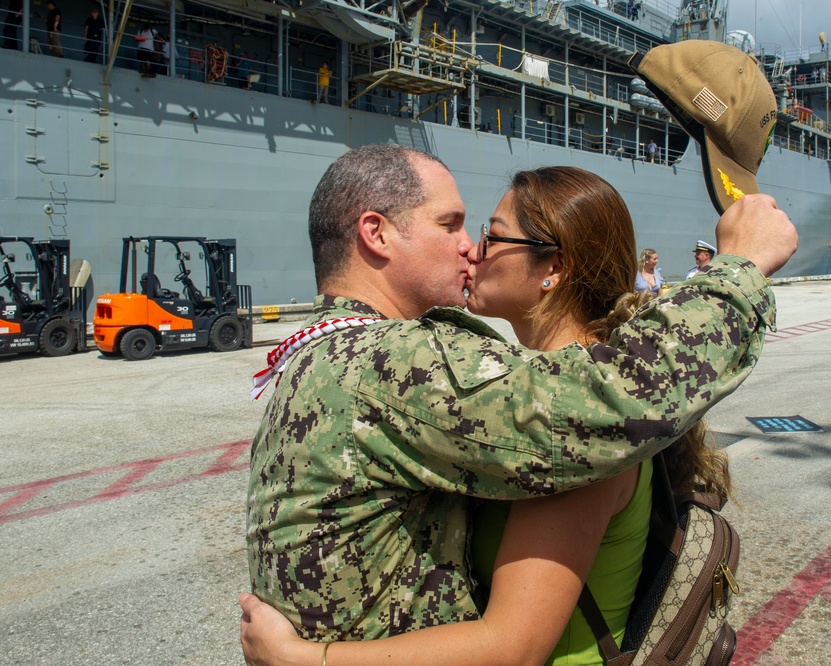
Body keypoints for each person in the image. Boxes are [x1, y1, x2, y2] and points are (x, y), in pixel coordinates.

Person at [242, 143, 796, 647]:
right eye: (452, 223)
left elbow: (603, 401)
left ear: (554, 266)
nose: (469, 248)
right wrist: (739, 270)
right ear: (376, 232)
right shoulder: (388, 363)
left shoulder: (322, 352)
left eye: (484, 231)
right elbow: (618, 397)